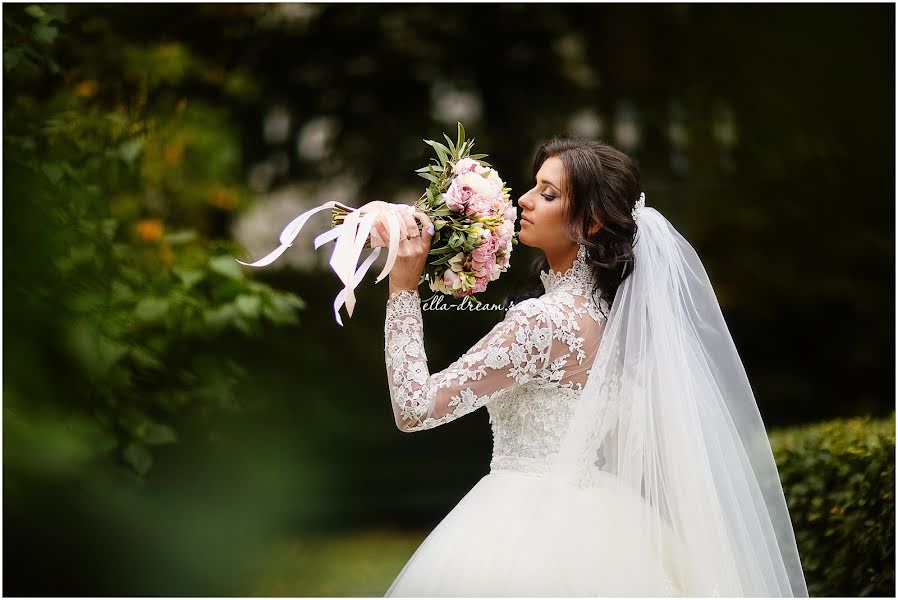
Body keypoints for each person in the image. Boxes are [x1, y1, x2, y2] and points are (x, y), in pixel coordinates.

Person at [377, 138, 809, 597]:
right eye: (534, 187)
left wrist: (404, 288)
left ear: (591, 220)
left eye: (548, 194)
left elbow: (416, 407)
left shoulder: (541, 321)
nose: (522, 199)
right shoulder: (621, 327)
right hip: (605, 522)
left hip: (521, 526)